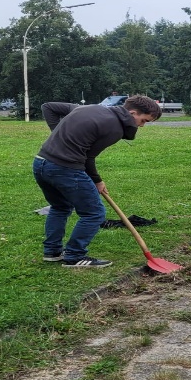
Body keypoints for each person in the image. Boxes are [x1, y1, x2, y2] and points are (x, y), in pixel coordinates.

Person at [33, 95, 162, 267]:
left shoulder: (89, 108)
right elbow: (88, 157)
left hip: (41, 163)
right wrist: (97, 180)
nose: (142, 125)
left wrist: (60, 133)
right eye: (144, 120)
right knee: (94, 213)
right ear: (132, 113)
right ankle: (74, 255)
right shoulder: (114, 128)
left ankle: (52, 252)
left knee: (60, 207)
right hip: (65, 168)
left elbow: (48, 106)